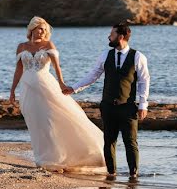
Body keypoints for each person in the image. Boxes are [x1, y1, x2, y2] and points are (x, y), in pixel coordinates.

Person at [8, 17, 106, 173]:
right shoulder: (21, 46)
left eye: (44, 29)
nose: (42, 31)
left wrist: (62, 84)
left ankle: (55, 158)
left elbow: (57, 67)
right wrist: (12, 90)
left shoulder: (48, 45)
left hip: (45, 85)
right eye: (39, 28)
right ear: (31, 29)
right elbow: (18, 70)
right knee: (35, 123)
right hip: (27, 87)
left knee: (50, 120)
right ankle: (41, 158)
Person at [64, 21, 151, 179]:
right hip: (108, 106)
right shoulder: (106, 55)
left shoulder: (138, 57)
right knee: (109, 140)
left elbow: (144, 81)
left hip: (128, 107)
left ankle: (133, 175)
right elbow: (93, 75)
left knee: (130, 142)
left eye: (112, 35)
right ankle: (111, 174)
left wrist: (143, 105)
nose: (109, 37)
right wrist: (74, 88)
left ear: (121, 36)